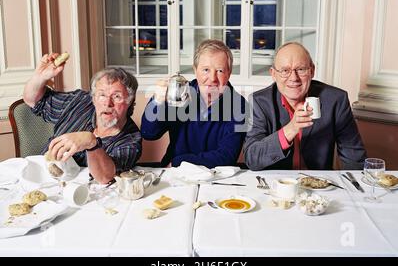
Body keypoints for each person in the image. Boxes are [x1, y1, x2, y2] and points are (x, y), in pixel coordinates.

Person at [244, 42, 366, 170]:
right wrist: (290, 129)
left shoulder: (335, 100)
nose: (293, 78)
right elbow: (252, 159)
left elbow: (354, 158)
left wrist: (356, 187)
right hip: (277, 186)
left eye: (301, 69)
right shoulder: (260, 102)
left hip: (319, 185)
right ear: (273, 74)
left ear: (312, 71)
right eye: (285, 71)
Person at [23, 53, 142, 183]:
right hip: (38, 178)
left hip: (82, 195)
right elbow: (33, 101)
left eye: (117, 97)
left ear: (129, 101)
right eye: (102, 95)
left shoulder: (131, 140)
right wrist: (40, 77)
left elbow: (105, 177)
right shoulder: (79, 101)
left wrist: (91, 143)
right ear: (93, 98)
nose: (108, 103)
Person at [141, 39, 248, 168]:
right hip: (176, 175)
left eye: (220, 70)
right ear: (195, 70)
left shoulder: (239, 105)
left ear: (229, 73)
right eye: (206, 70)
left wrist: (179, 161)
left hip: (215, 177)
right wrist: (157, 101)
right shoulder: (179, 94)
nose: (213, 78)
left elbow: (227, 157)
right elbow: (149, 134)